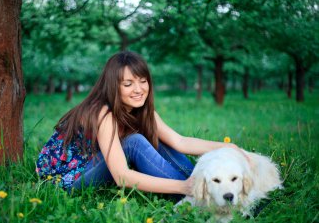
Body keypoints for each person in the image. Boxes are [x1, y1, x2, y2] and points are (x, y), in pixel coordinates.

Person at [36, 51, 241, 196]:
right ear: (113, 86)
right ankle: (195, 194)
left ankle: (213, 186)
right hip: (66, 179)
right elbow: (122, 176)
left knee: (158, 139)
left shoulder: (142, 110)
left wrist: (228, 147)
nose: (138, 89)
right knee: (134, 142)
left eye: (143, 81)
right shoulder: (102, 113)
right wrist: (182, 187)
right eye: (128, 84)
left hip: (91, 165)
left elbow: (180, 142)